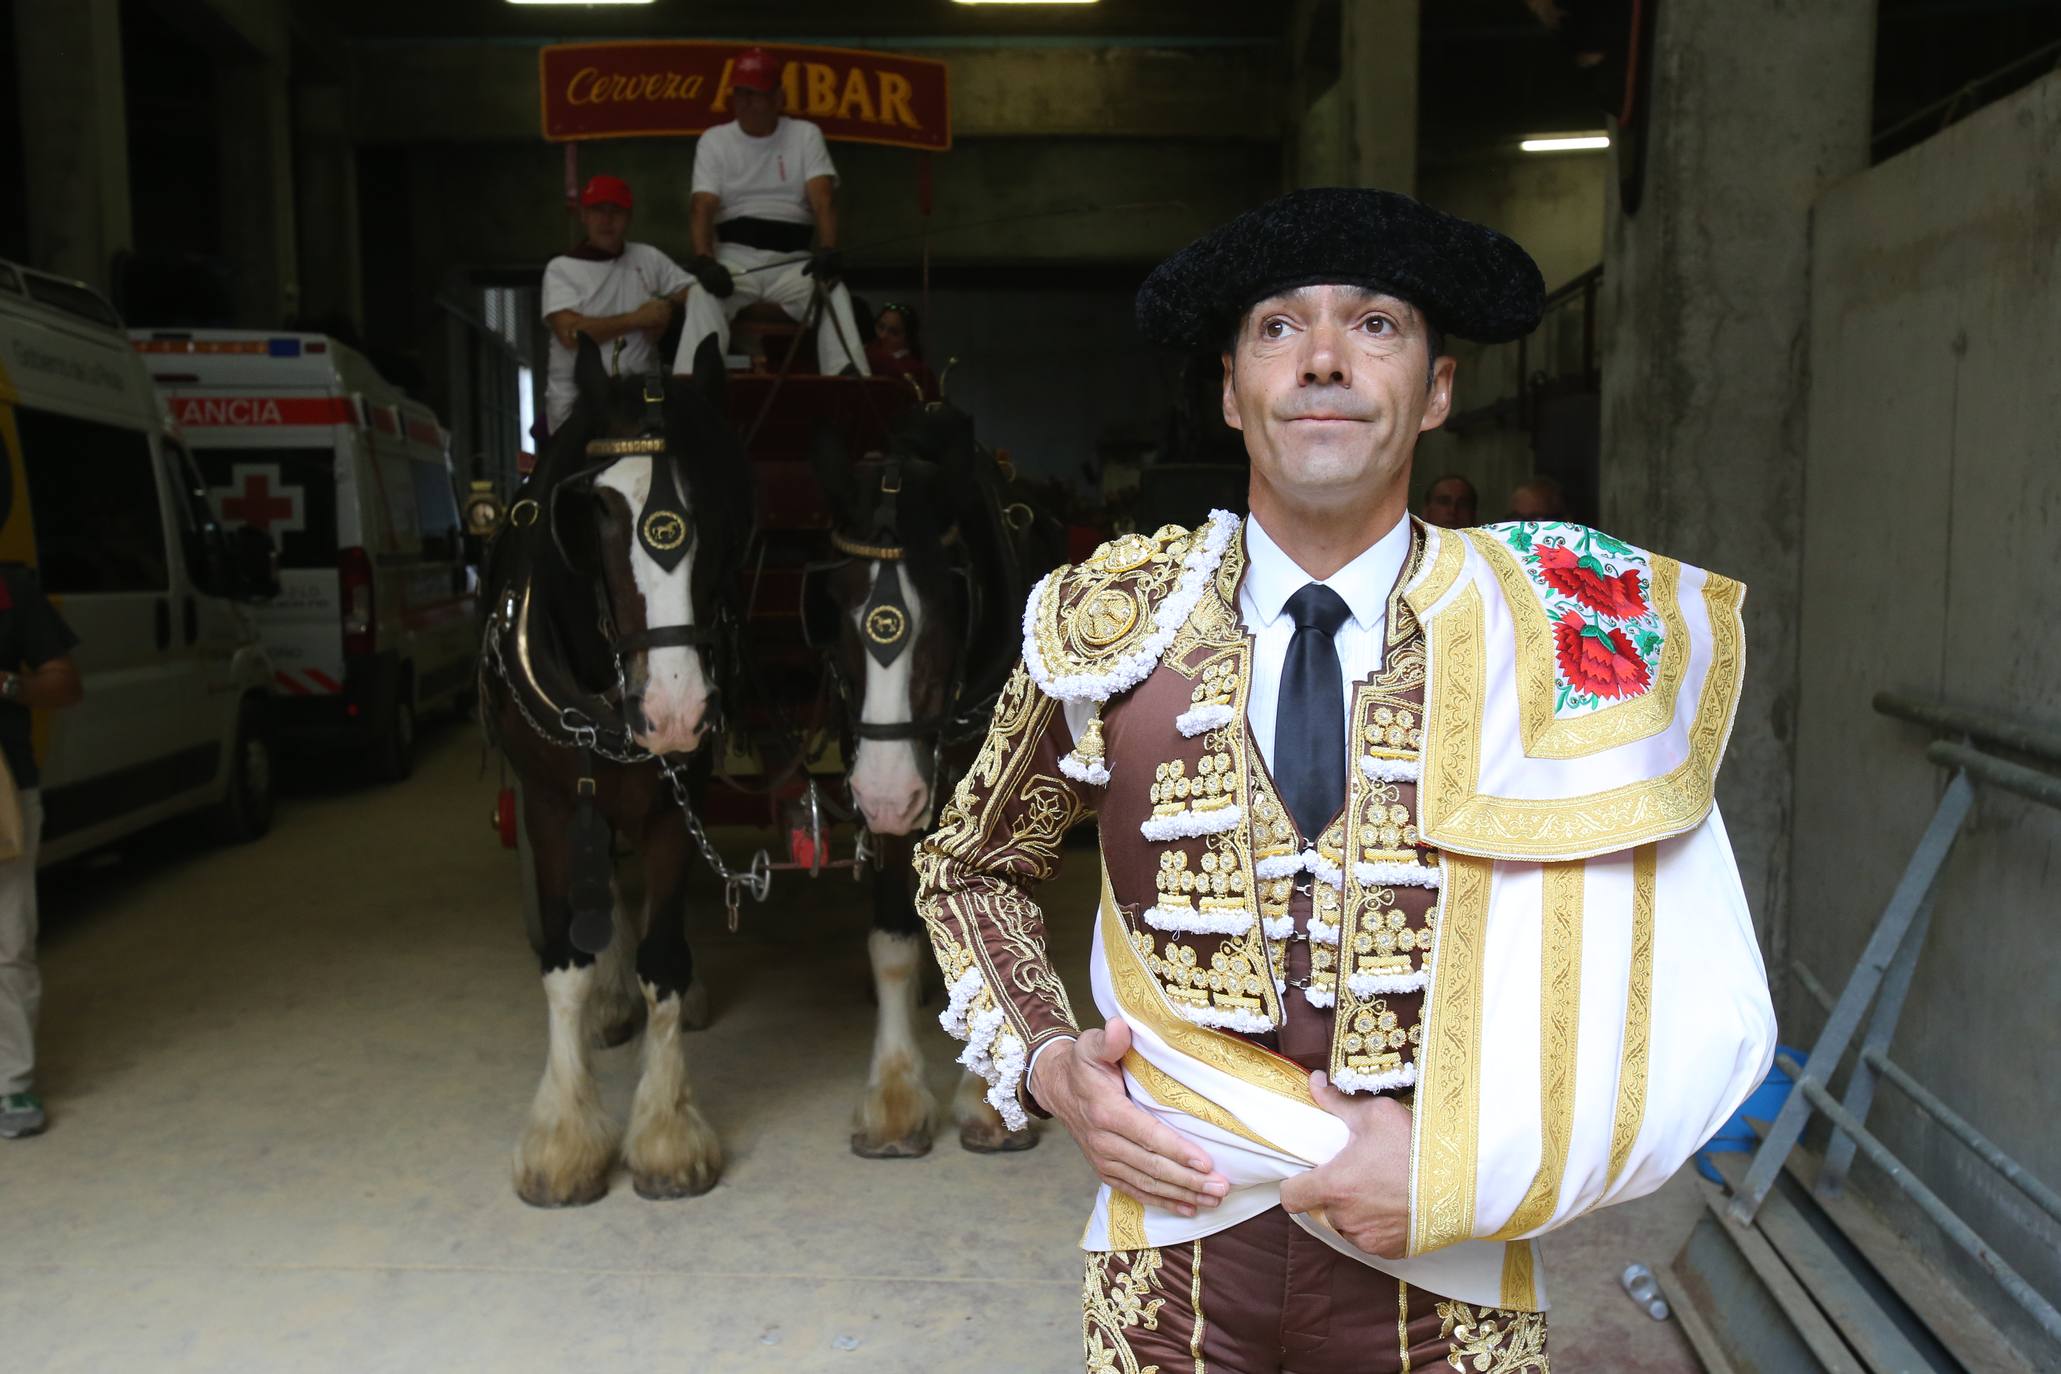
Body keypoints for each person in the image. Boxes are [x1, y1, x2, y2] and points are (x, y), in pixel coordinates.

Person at [915, 187, 1775, 1371]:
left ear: (1435, 391)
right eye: (1278, 327)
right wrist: (1052, 1064)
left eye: (1373, 324)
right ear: (1230, 389)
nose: (1322, 358)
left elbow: (1701, 988)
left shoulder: (1563, 629)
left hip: (1446, 1274)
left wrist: (1474, 1162)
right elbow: (969, 867)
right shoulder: (1112, 621)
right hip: (1173, 1261)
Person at [674, 47, 870, 378]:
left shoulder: (805, 135)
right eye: (740, 93)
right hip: (736, 261)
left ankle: (847, 382)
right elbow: (701, 206)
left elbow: (822, 199)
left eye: (755, 94)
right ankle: (695, 383)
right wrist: (705, 260)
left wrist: (828, 250)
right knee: (701, 293)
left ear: (778, 97)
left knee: (832, 291)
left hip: (793, 263)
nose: (745, 102)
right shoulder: (715, 140)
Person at [0, 565, 83, 1140]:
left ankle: (10, 1084)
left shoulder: (10, 590)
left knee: (7, 941)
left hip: (4, 790)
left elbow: (65, 684)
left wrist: (8, 686)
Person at [540, 174, 691, 433]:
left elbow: (692, 290)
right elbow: (570, 334)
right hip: (576, 401)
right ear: (584, 216)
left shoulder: (648, 257)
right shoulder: (561, 269)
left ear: (629, 218)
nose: (606, 220)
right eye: (598, 211)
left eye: (616, 212)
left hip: (637, 400)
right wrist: (637, 319)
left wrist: (667, 309)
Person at [864, 302, 939, 401]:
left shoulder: (919, 371)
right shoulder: (866, 353)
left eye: (894, 332)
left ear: (908, 338)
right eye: (880, 327)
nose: (883, 336)